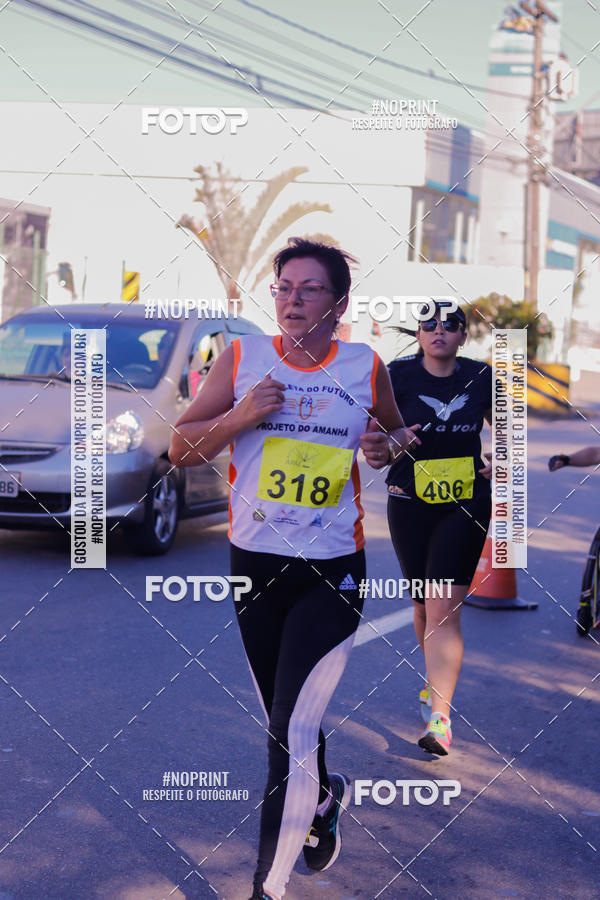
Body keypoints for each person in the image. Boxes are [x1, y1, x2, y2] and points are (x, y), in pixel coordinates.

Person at [168, 237, 412, 900]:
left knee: (290, 727)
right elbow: (180, 447)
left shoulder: (365, 365)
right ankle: (325, 799)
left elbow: (396, 437)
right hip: (254, 565)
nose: (292, 299)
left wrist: (383, 447)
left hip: (332, 568)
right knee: (284, 717)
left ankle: (266, 887)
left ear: (339, 303)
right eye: (283, 287)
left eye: (309, 289)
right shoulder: (242, 359)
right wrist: (242, 413)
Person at [385, 300, 492, 756]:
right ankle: (434, 685)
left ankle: (440, 719)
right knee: (424, 605)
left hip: (465, 502)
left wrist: (500, 463)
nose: (439, 331)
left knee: (444, 606)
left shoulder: (482, 376)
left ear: (464, 336)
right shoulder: (398, 375)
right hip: (409, 501)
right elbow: (376, 435)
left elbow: (511, 434)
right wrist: (394, 440)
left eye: (451, 325)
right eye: (429, 324)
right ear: (418, 334)